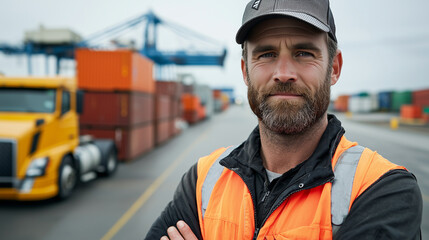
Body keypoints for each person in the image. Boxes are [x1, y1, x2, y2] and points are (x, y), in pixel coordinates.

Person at [145, 0, 423, 239]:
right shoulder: (202, 179)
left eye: (303, 53)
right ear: (245, 71)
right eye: (266, 54)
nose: (283, 72)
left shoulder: (382, 189)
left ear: (334, 68)